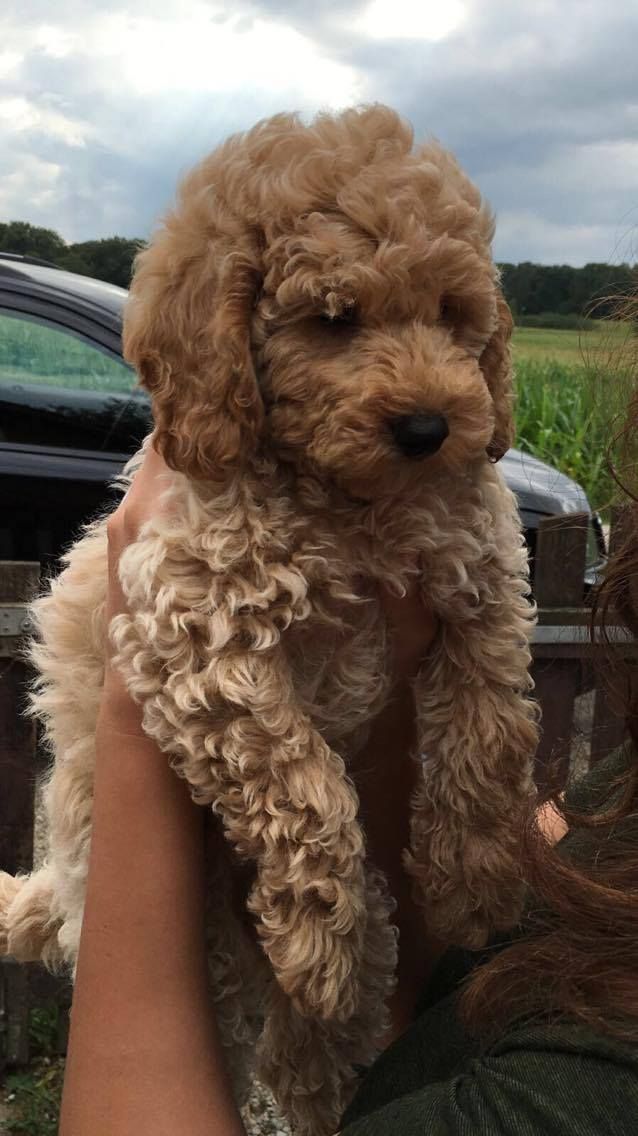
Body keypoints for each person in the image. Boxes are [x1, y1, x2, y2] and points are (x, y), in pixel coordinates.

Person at [59, 370, 638, 1133]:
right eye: (335, 321)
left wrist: (138, 696)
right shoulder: (621, 795)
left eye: (450, 318)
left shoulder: (575, 1096)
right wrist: (384, 703)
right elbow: (439, 1002)